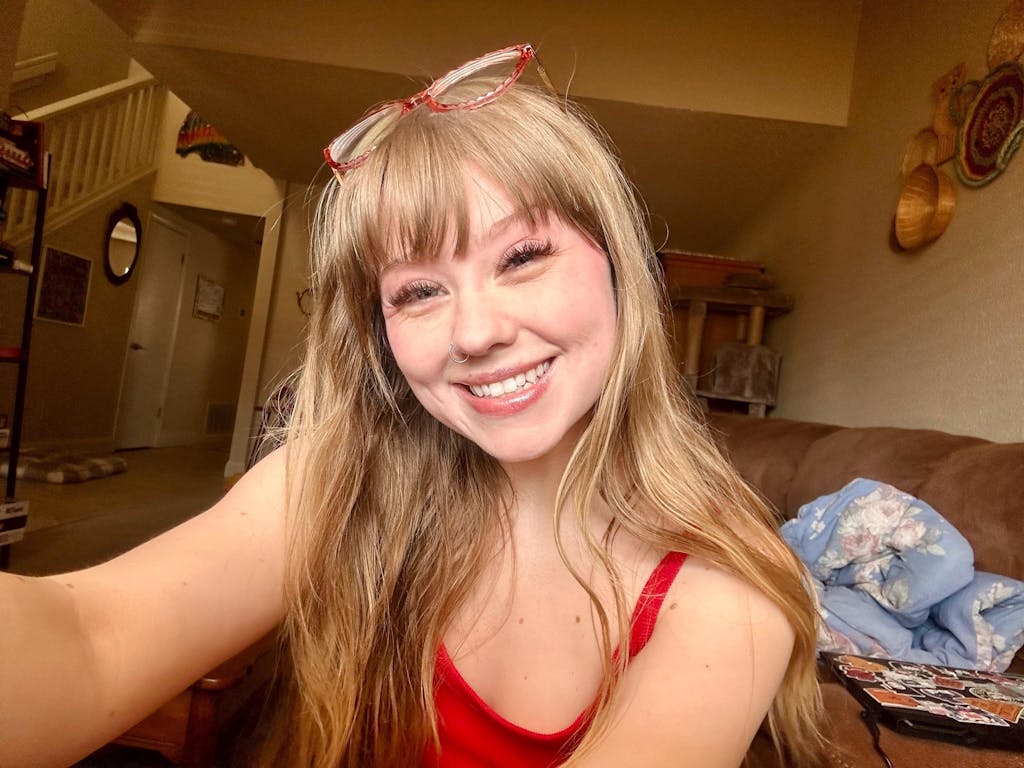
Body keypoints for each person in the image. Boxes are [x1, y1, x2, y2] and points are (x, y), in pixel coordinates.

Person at [1, 43, 823, 767]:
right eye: (419, 291)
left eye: (523, 257)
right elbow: (91, 640)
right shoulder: (337, 484)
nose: (475, 332)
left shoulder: (730, 580)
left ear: (620, 266)